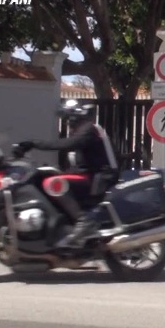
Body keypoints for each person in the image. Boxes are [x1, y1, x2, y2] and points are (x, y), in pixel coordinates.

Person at [16, 100, 120, 250]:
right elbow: (79, 165)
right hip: (92, 175)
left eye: (68, 118)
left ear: (76, 116)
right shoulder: (84, 132)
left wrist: (34, 143)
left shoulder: (89, 129)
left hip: (101, 177)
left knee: (53, 183)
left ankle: (84, 221)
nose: (67, 122)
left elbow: (67, 144)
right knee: (47, 177)